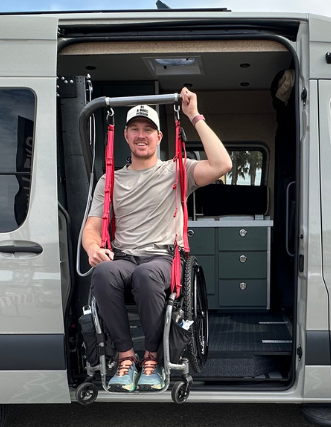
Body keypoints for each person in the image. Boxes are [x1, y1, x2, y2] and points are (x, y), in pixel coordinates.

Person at [82, 88, 232, 393]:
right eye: (135, 129)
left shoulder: (177, 170)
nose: (141, 135)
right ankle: (126, 358)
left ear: (159, 137)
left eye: (148, 130)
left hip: (163, 259)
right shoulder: (110, 180)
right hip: (123, 257)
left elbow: (222, 165)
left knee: (146, 274)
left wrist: (194, 116)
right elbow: (92, 226)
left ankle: (152, 358)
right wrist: (92, 248)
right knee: (103, 272)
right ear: (125, 135)